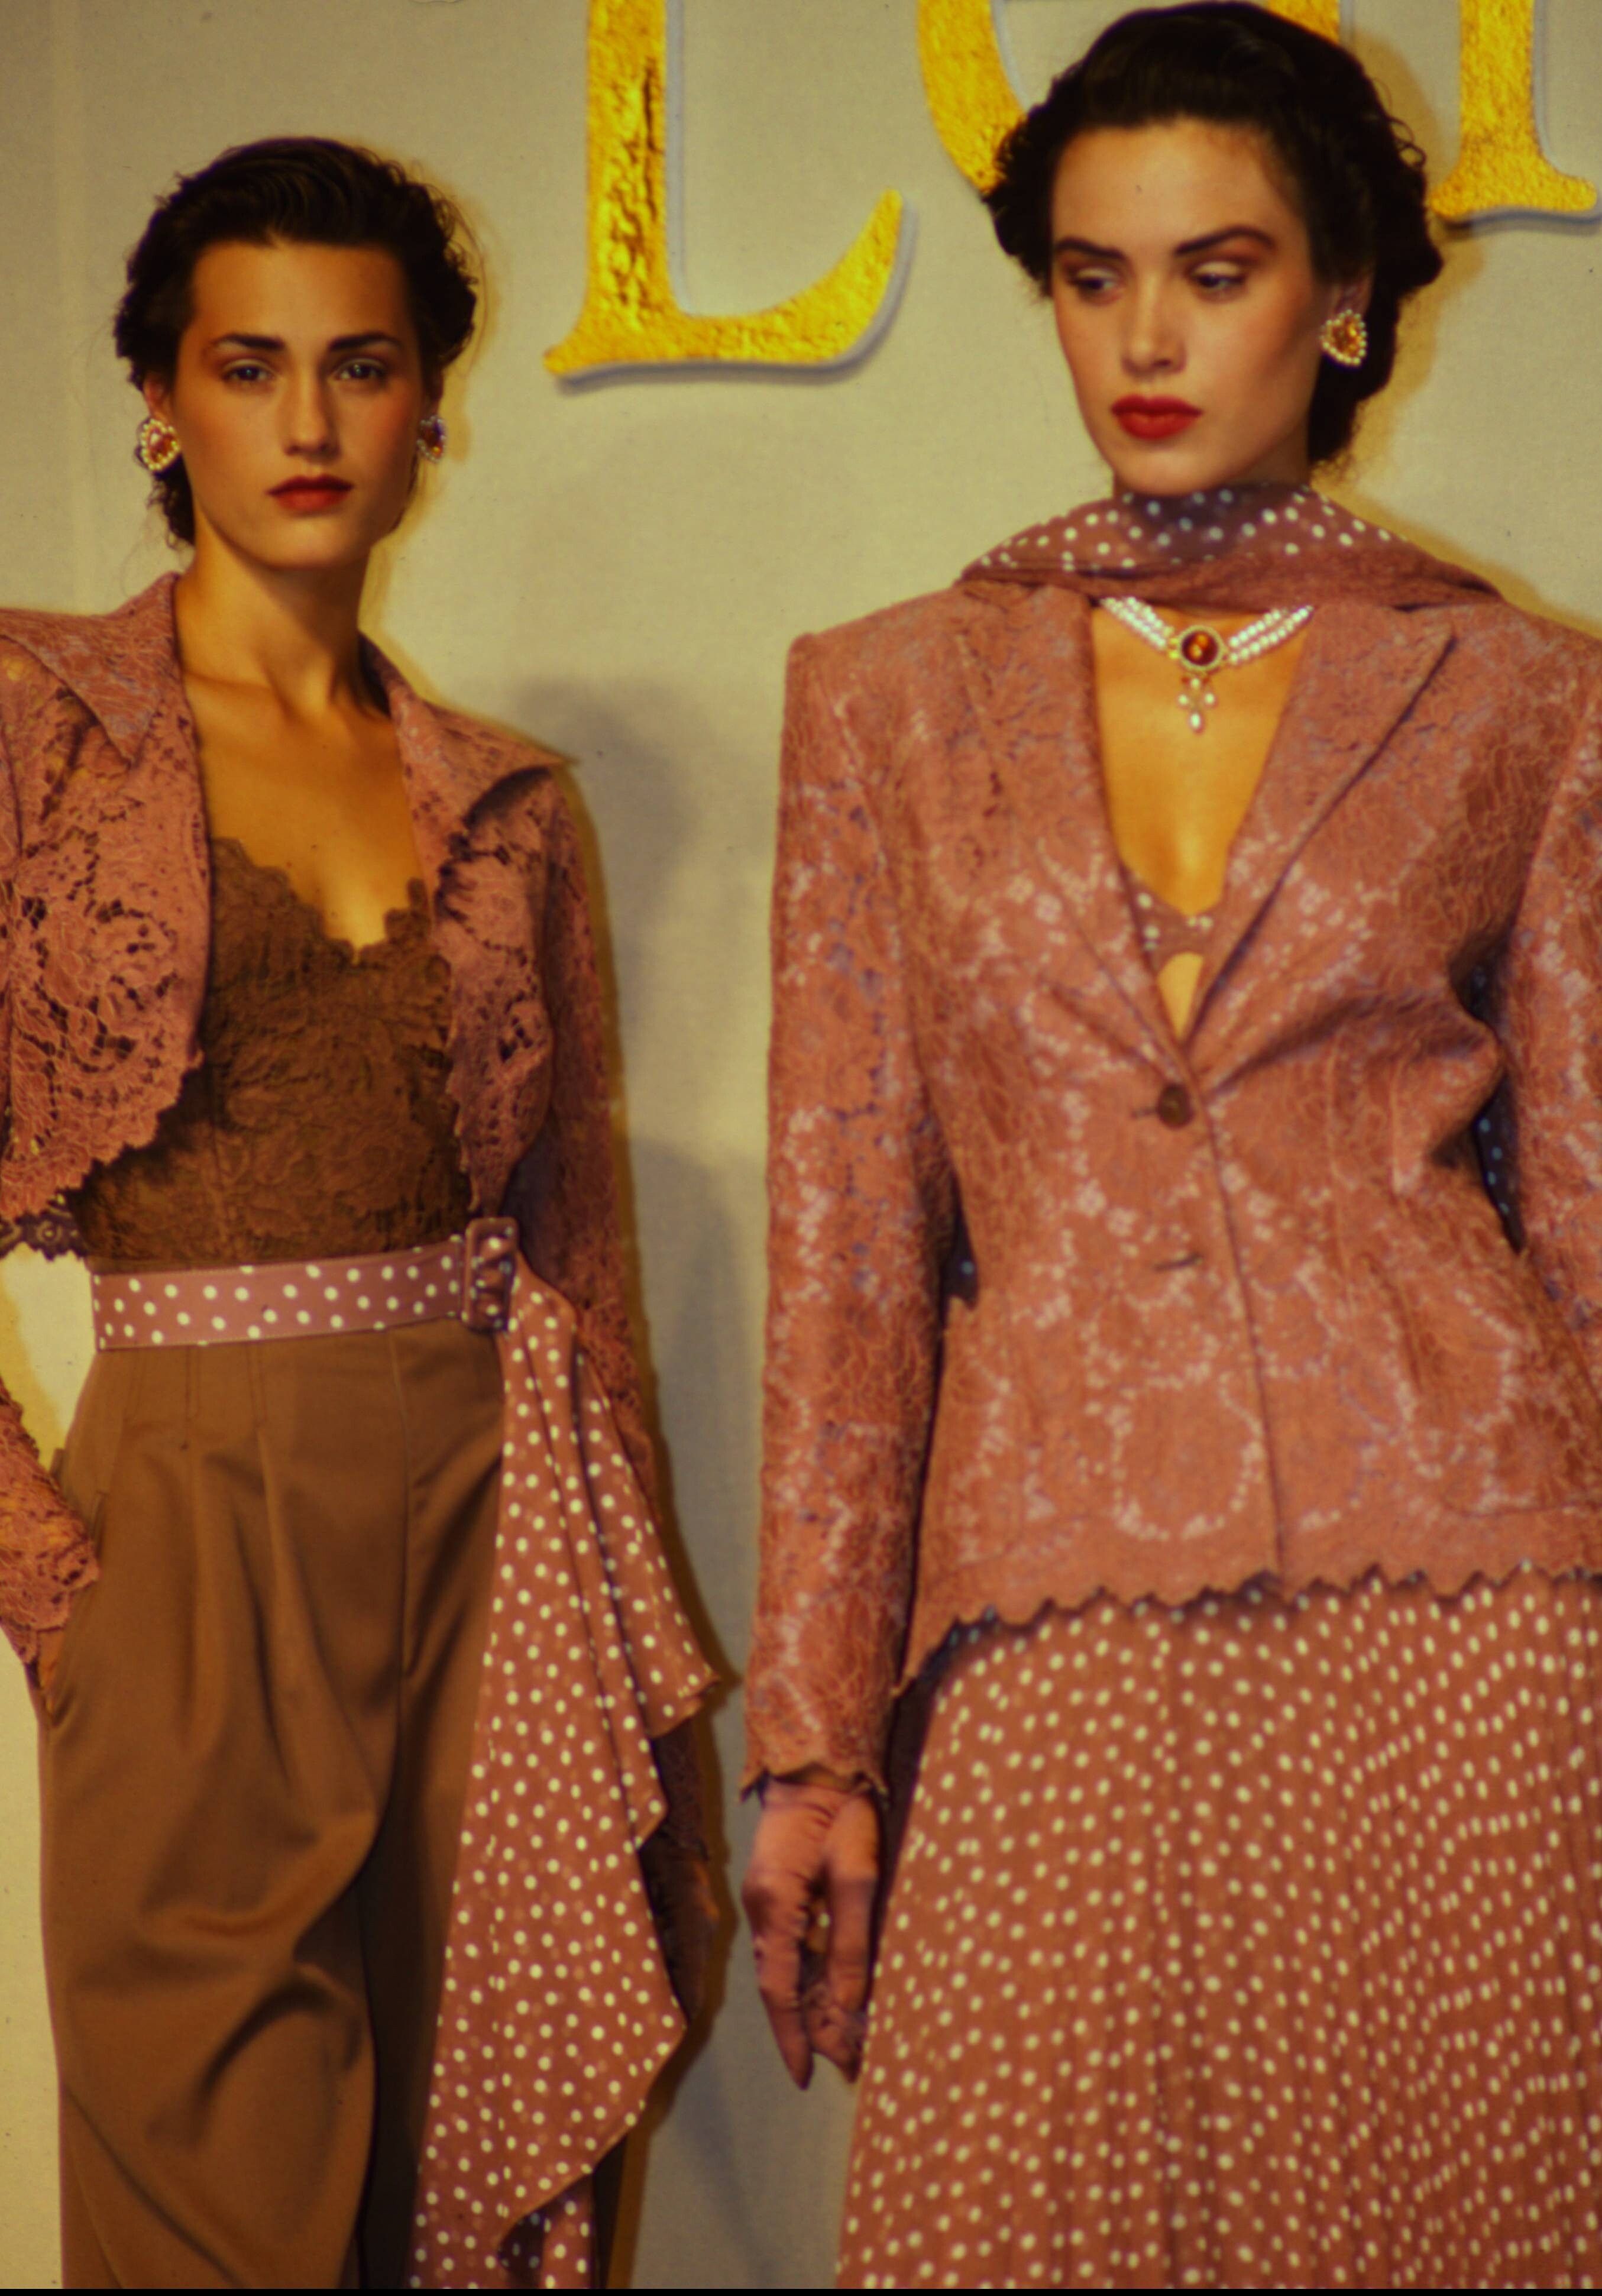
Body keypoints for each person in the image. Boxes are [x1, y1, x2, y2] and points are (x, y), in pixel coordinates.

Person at [742, 5, 1602, 2285]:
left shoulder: (1525, 696)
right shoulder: (888, 694)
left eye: (1217, 272)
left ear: (1344, 298)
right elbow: (847, 1239)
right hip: (1045, 1571)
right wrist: (813, 1739)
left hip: (1471, 1583)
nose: (1145, 338)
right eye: (1092, 274)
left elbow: (1595, 1221)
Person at [0, 135, 714, 2291]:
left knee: (457, 2178)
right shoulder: (34, 728)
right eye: (250, 366)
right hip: (189, 1525)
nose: (308, 420)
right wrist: (53, 1586)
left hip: (498, 1522)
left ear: (428, 408)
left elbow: (583, 1254)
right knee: (215, 2193)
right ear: (160, 401)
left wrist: (650, 1688)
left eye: (363, 365)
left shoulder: (508, 800)